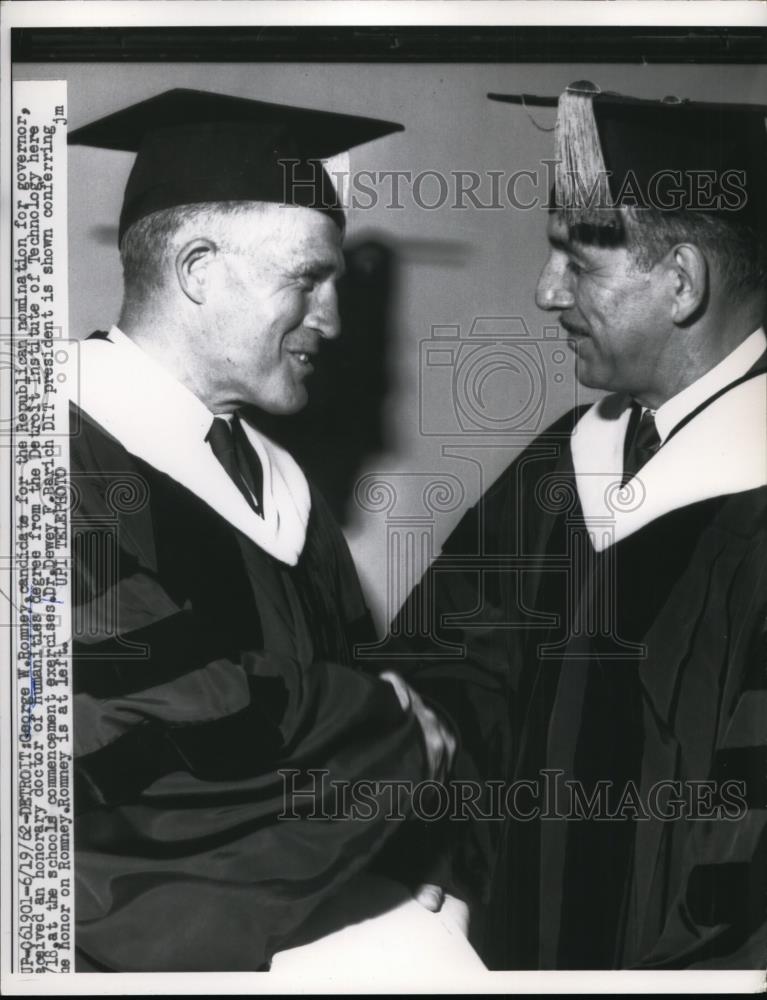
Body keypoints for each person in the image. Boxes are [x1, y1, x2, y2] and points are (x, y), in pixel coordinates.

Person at [67, 88, 463, 973]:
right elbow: (130, 735)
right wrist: (398, 730)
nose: (332, 319)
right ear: (198, 270)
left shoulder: (282, 486)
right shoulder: (45, 448)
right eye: (307, 281)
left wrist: (401, 834)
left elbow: (344, 718)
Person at [385, 83, 767, 969]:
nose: (544, 289)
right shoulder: (567, 462)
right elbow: (449, 669)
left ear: (680, 283)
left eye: (579, 262)